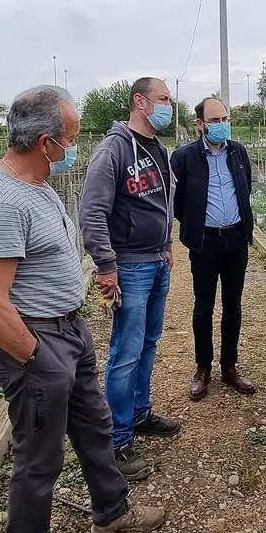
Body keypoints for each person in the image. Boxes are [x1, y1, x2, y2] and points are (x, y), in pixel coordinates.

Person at [0, 86, 165, 533]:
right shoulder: (2, 203)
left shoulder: (37, 187)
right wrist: (38, 358)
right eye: (71, 138)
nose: (74, 148)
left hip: (67, 329)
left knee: (94, 424)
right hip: (35, 338)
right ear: (44, 143)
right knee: (39, 457)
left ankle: (112, 512)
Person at [80, 77, 182, 481]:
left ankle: (140, 414)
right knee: (125, 351)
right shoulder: (114, 149)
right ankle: (117, 440)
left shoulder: (159, 149)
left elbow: (163, 202)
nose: (168, 106)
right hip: (130, 267)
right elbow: (92, 211)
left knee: (150, 342)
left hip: (157, 261)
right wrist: (106, 265)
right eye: (163, 99)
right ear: (140, 102)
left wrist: (168, 243)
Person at [170, 97, 256, 401]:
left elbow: (246, 185)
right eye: (215, 120)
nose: (221, 125)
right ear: (201, 124)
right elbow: (177, 203)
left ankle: (229, 367)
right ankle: (203, 367)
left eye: (225, 119)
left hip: (235, 240)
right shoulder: (184, 158)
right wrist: (194, 225)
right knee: (203, 306)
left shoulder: (239, 152)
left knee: (233, 305)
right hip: (205, 242)